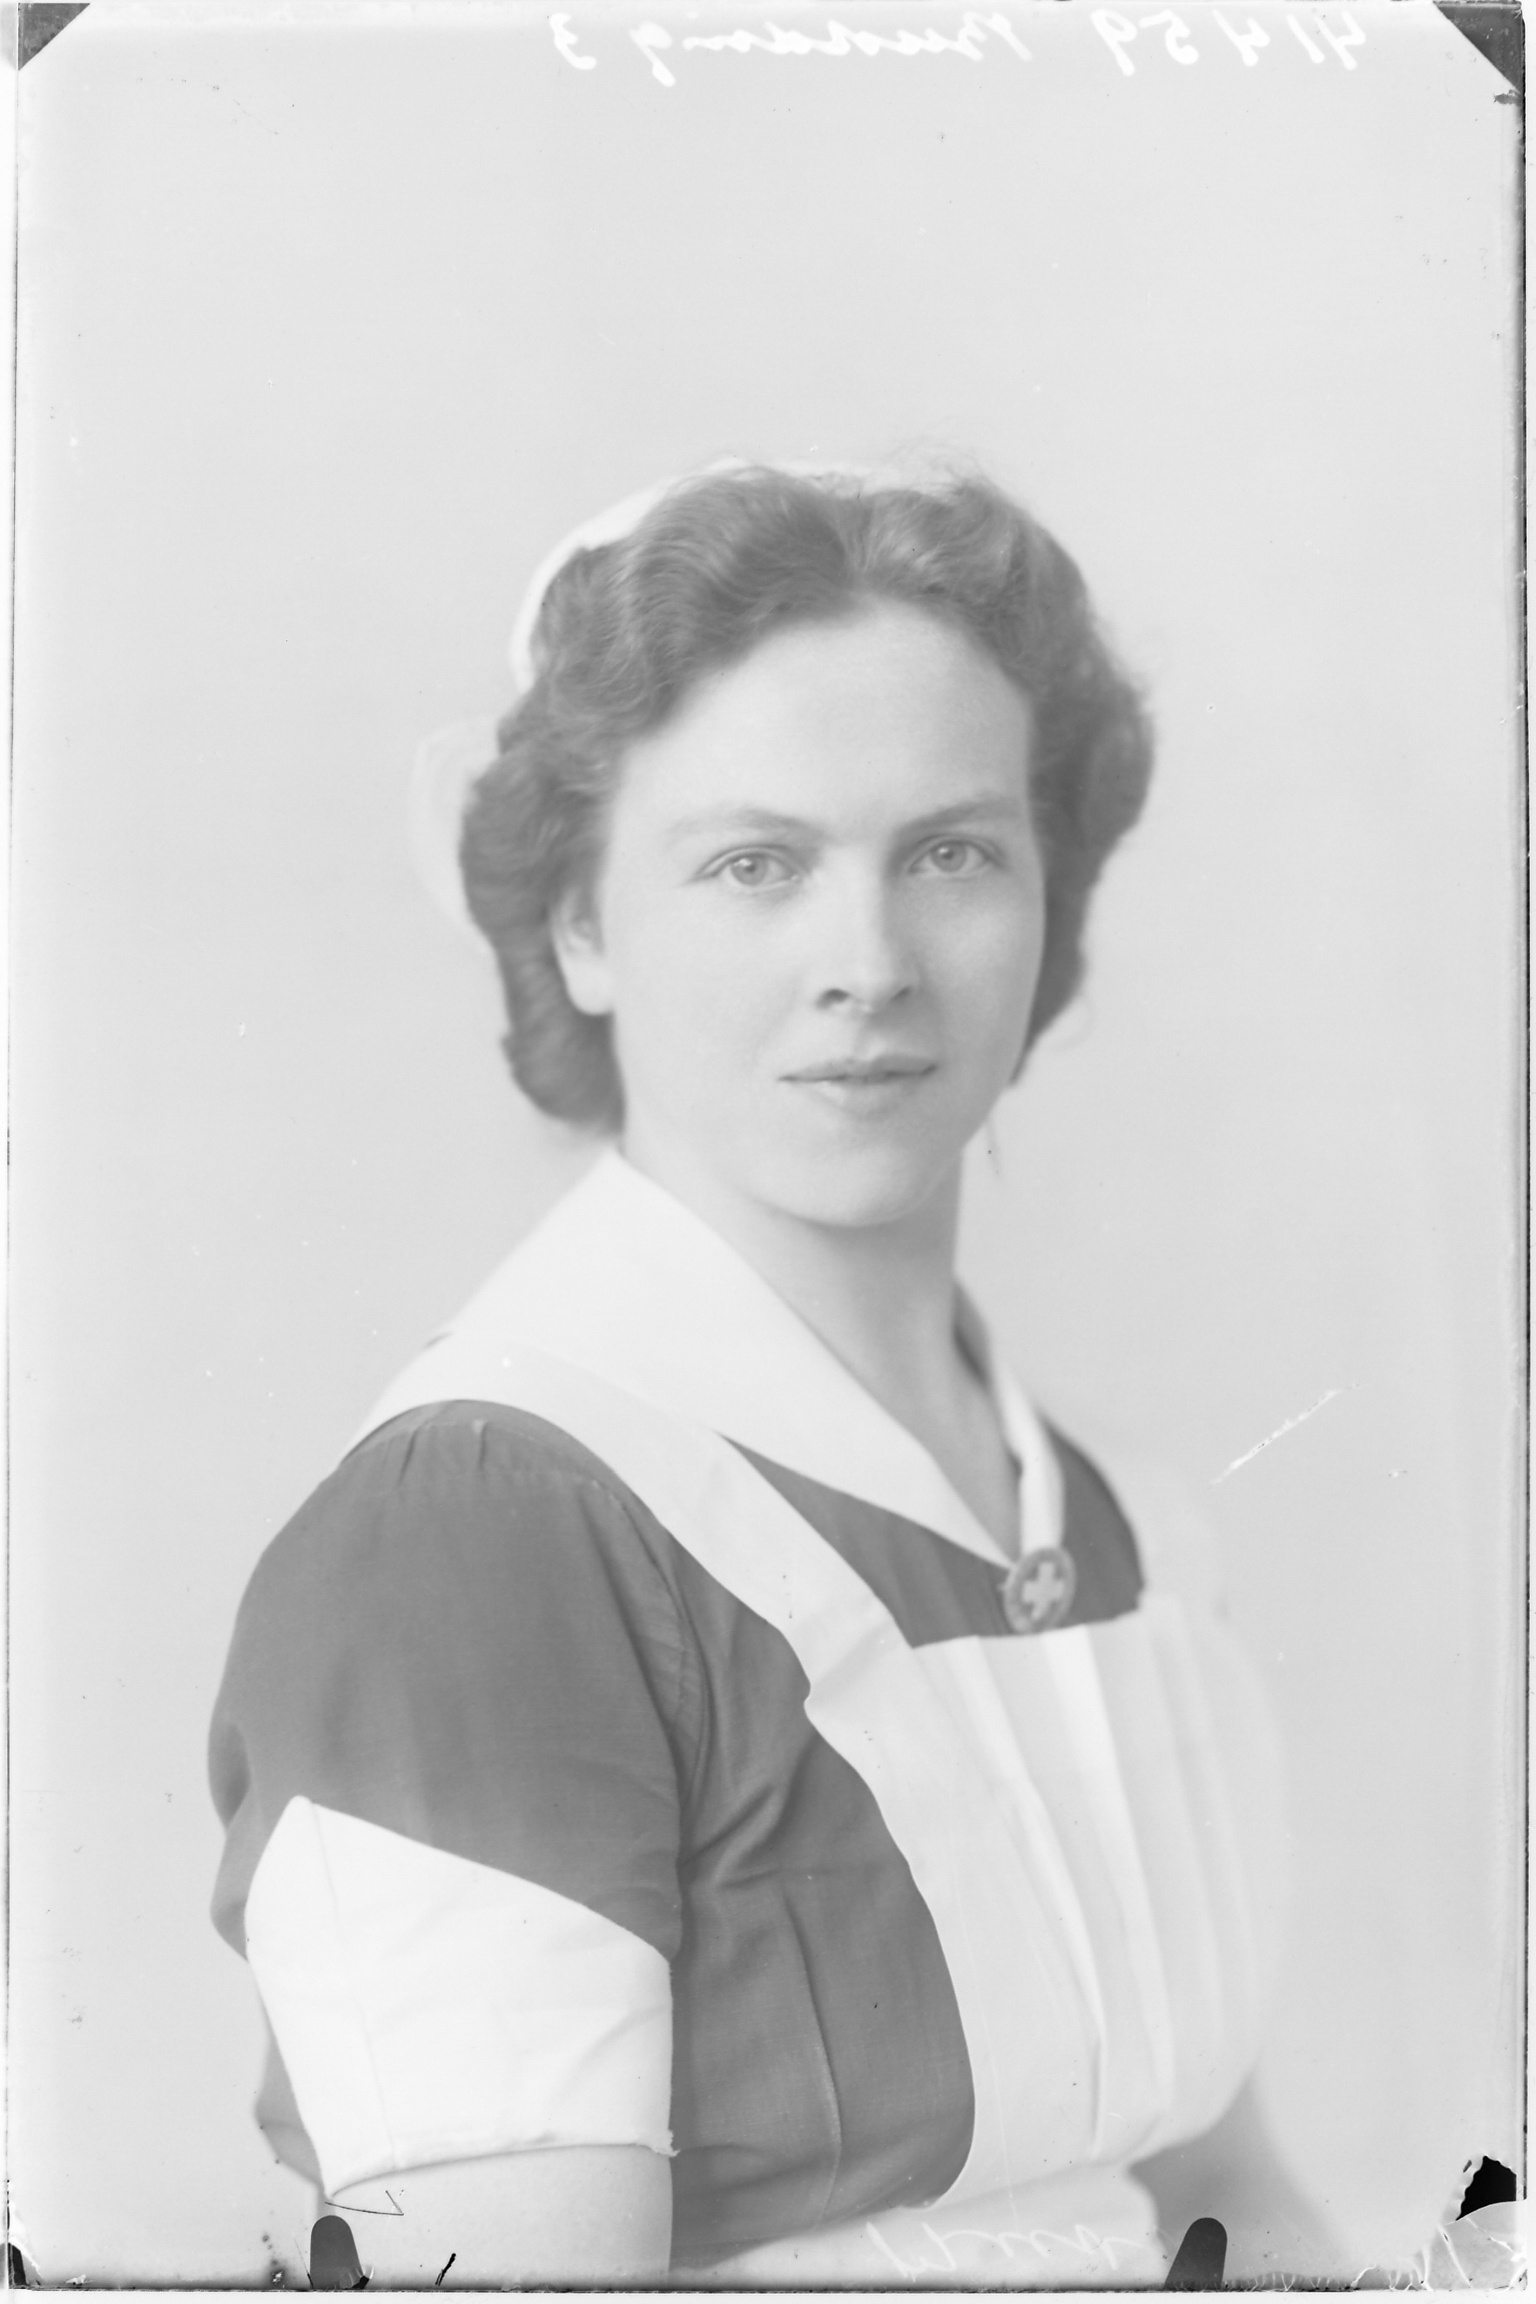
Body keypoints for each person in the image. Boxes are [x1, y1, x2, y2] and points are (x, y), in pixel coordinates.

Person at [209, 460, 1321, 2287]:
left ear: (1050, 897)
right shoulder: (480, 1545)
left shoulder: (1125, 1532)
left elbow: (1230, 2213)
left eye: (952, 852)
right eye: (754, 864)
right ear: (580, 927)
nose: (868, 965)